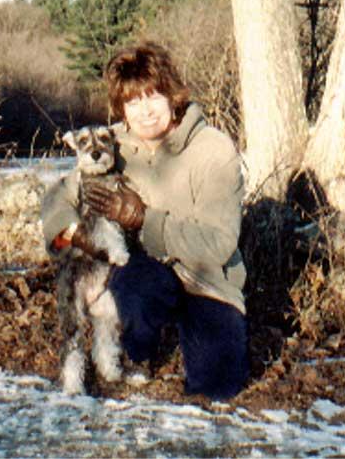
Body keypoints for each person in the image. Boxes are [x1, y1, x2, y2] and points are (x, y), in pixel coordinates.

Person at [42, 42, 249, 400]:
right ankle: (138, 354)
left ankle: (191, 341)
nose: (144, 112)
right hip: (147, 273)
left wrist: (144, 220)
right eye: (132, 102)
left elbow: (219, 245)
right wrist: (72, 235)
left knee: (218, 385)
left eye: (153, 96)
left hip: (207, 278)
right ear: (121, 108)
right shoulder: (113, 143)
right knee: (133, 291)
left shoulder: (214, 150)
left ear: (173, 96)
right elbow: (60, 195)